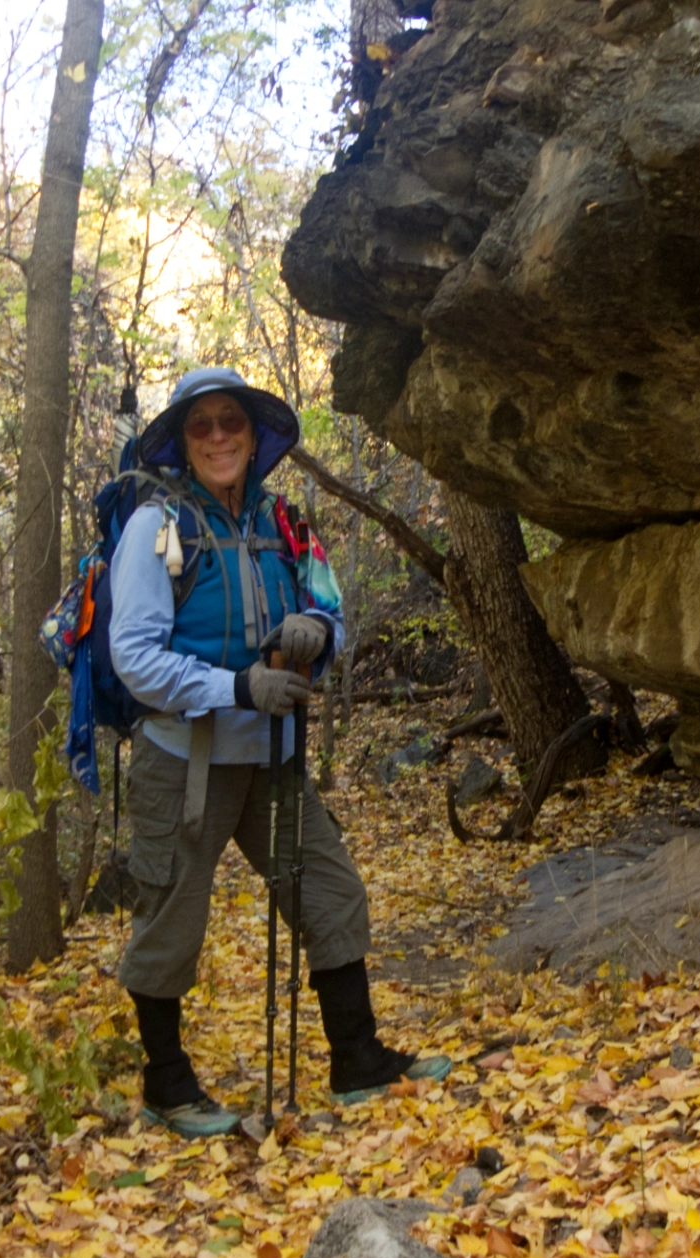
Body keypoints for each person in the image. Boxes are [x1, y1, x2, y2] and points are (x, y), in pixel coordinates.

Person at [108, 366, 449, 1138]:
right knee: (169, 917)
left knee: (329, 890)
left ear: (256, 436)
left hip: (273, 752)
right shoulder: (155, 528)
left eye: (233, 423)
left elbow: (327, 604)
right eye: (203, 427)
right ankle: (167, 1085)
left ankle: (357, 1059)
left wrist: (318, 633)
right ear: (183, 444)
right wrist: (238, 686)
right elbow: (133, 655)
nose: (221, 437)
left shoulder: (285, 522)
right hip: (184, 758)